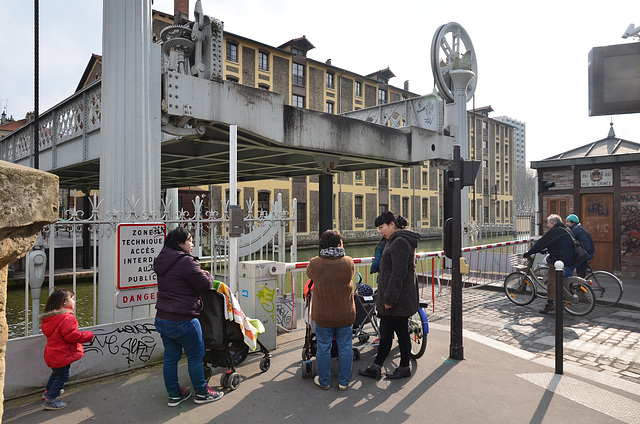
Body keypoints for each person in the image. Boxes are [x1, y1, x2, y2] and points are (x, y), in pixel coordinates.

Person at [153, 227, 223, 406]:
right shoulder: (185, 261)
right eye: (190, 240)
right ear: (179, 243)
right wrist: (208, 275)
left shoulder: (162, 260)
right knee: (195, 356)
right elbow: (204, 284)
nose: (192, 244)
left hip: (162, 318)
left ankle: (174, 394)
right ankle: (201, 392)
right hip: (183, 319)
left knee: (171, 357)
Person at [359, 211, 420, 380]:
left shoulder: (400, 242)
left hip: (397, 300)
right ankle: (377, 366)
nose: (380, 231)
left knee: (400, 333)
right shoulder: (396, 240)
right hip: (394, 298)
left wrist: (390, 299)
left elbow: (398, 274)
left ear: (392, 224)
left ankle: (403, 367)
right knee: (386, 333)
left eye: (381, 227)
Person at [306, 230, 356, 391]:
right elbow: (351, 275)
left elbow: (310, 275)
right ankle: (343, 382)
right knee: (345, 347)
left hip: (323, 314)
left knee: (323, 347)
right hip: (345, 313)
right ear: (339, 244)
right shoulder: (348, 262)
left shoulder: (315, 263)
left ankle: (324, 381)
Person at [40, 288, 94, 410]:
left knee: (57, 373)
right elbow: (72, 336)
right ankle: (51, 400)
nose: (74, 301)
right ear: (64, 302)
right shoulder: (67, 318)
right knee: (63, 376)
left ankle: (48, 392)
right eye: (72, 298)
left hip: (52, 353)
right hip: (62, 354)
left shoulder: (50, 318)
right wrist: (88, 335)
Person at [523, 214, 574, 314]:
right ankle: (560, 295)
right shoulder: (564, 228)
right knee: (551, 265)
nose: (547, 225)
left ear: (553, 223)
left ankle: (550, 303)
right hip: (568, 257)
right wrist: (545, 250)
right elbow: (556, 243)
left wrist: (529, 253)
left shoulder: (555, 231)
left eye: (548, 223)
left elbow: (541, 243)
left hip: (560, 259)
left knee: (551, 280)